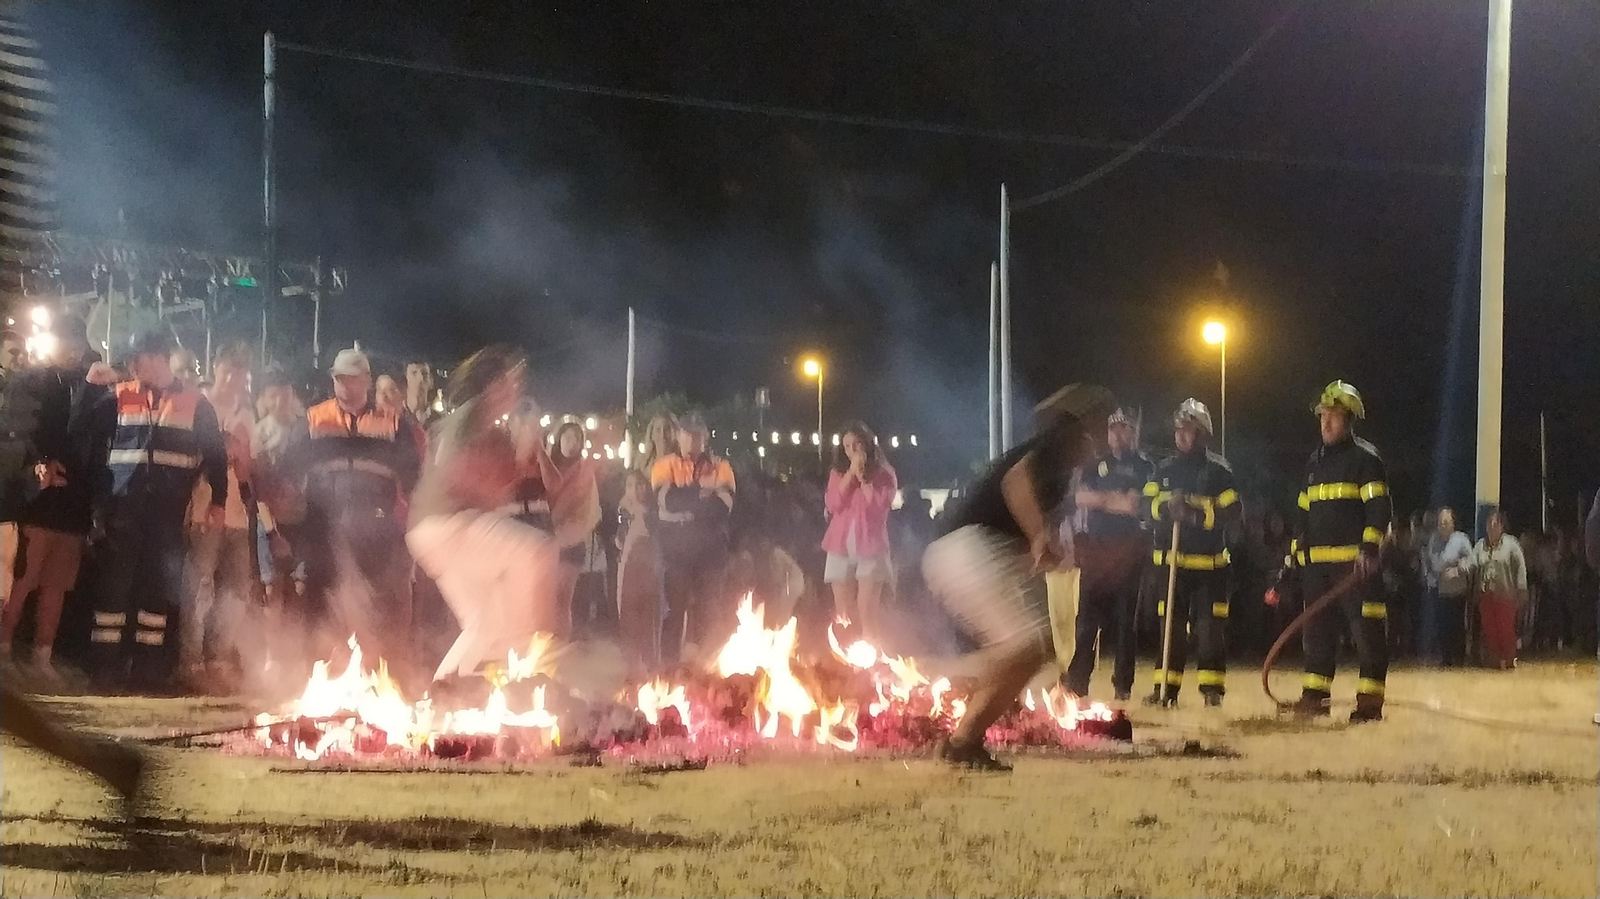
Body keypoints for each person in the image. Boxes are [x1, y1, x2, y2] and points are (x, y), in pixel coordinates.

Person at [923, 384, 1109, 770]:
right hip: (968, 545)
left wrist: (1043, 549)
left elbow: (1029, 518)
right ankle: (941, 674)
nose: (1108, 432)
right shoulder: (1050, 453)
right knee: (1027, 644)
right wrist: (1039, 535)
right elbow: (1016, 482)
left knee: (1033, 649)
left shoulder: (1064, 471)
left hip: (974, 551)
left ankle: (963, 744)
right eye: (1102, 423)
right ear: (1081, 428)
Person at [407, 345, 561, 681]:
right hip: (446, 525)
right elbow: (460, 473)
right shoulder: (471, 415)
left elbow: (501, 490)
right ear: (492, 384)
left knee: (484, 625)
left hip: (431, 531)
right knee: (537, 554)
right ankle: (532, 654)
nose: (517, 388)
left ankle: (440, 695)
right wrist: (511, 464)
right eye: (510, 379)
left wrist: (521, 459)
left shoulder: (486, 429)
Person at [87, 330, 228, 693]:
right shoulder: (119, 396)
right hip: (123, 507)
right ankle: (104, 668)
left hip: (167, 510)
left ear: (160, 358)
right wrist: (90, 389)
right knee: (114, 586)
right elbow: (82, 433)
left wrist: (218, 502)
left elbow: (216, 457)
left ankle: (148, 670)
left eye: (139, 359)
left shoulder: (197, 404)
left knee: (156, 589)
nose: (132, 366)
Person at [283, 347, 422, 673]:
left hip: (377, 530)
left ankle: (375, 677)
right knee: (321, 604)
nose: (345, 385)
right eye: (339, 379)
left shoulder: (392, 424)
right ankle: (321, 675)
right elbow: (287, 473)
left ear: (366, 382)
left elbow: (415, 479)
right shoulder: (314, 420)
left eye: (352, 379)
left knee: (375, 605)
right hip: (323, 529)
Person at [1, 315, 107, 679]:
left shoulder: (91, 386)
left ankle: (42, 658)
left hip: (73, 503)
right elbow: (23, 431)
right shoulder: (33, 381)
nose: (70, 350)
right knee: (23, 579)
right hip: (39, 500)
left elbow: (90, 439)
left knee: (56, 585)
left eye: (74, 344)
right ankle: (3, 648)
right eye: (63, 342)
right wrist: (38, 467)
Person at [1284, 381, 1392, 721]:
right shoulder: (1313, 463)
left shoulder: (1366, 460)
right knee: (1317, 637)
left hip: (1354, 569)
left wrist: (1369, 549)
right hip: (1317, 570)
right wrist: (1295, 552)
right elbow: (1303, 513)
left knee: (1367, 635)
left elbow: (1378, 510)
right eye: (1323, 416)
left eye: (1334, 416)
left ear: (1350, 420)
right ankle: (1315, 698)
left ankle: (1369, 706)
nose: (1326, 423)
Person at [1142, 398, 1240, 707]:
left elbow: (1232, 512)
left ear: (1203, 434)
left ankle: (1212, 692)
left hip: (1211, 569)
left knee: (1210, 630)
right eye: (1179, 430)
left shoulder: (1219, 472)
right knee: (1170, 630)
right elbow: (1145, 508)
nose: (1182, 436)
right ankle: (1165, 691)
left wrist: (1195, 514)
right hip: (1172, 565)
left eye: (1189, 430)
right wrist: (1166, 509)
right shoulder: (1163, 470)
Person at [180, 342, 258, 692]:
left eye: (240, 375)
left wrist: (240, 456)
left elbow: (244, 474)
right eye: (229, 372)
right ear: (217, 369)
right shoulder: (198, 404)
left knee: (236, 592)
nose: (233, 380)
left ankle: (219, 658)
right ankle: (190, 661)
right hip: (202, 509)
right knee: (199, 589)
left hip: (236, 516)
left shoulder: (246, 414)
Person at [1062, 407, 1153, 702]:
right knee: (1086, 622)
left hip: (1129, 552)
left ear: (1133, 432)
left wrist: (1101, 500)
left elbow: (1136, 505)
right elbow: (1080, 498)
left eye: (1123, 428)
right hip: (1097, 552)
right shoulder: (1094, 465)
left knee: (1127, 624)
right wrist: (1114, 500)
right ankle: (1077, 683)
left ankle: (1122, 686)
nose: (1117, 434)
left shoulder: (1145, 467)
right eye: (1113, 428)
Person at [650, 412, 735, 666]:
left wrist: (684, 504)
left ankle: (706, 668)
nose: (693, 441)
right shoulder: (664, 465)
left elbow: (723, 508)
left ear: (705, 438)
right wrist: (703, 492)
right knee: (674, 612)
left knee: (709, 612)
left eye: (698, 436)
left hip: (711, 552)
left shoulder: (722, 465)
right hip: (675, 551)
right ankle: (669, 670)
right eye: (688, 435)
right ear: (679, 436)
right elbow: (665, 500)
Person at [822, 422, 898, 644]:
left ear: (867, 444)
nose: (852, 450)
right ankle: (847, 654)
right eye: (847, 446)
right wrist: (850, 476)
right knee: (843, 611)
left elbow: (878, 507)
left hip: (871, 544)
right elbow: (833, 503)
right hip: (839, 543)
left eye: (857, 444)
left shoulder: (885, 474)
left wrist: (864, 479)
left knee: (866, 610)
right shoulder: (838, 473)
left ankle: (871, 652)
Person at [616, 413, 675, 673]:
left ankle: (656, 663)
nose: (661, 434)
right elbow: (630, 494)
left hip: (660, 537)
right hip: (634, 541)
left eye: (666, 429)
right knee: (628, 603)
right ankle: (633, 663)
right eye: (657, 429)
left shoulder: (678, 462)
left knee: (656, 605)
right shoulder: (643, 463)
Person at [549, 420, 602, 640]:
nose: (572, 442)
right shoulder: (547, 467)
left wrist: (565, 532)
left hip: (571, 544)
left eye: (577, 438)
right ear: (558, 438)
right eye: (568, 437)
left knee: (562, 599)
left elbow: (588, 511)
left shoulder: (583, 472)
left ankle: (560, 646)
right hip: (543, 542)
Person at [0, 328, 31, 618]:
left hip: (8, 508)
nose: (18, 358)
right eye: (12, 352)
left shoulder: (22, 395)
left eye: (21, 352)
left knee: (3, 588)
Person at [1473, 507, 1526, 669]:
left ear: (1502, 526)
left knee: (1506, 629)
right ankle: (1494, 661)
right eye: (1489, 523)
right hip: (1486, 596)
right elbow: (1472, 564)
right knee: (1490, 630)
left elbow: (1520, 567)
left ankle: (1510, 661)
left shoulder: (1511, 545)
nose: (1492, 526)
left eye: (1495, 524)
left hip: (1506, 595)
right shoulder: (1480, 545)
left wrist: (1522, 589)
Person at [1427, 507, 1474, 666]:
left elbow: (1471, 562)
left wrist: (1457, 570)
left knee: (1457, 625)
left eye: (1446, 522)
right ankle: (1445, 658)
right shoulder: (1434, 540)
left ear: (1453, 523)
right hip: (1440, 590)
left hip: (1457, 591)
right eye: (1440, 522)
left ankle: (1459, 657)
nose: (1442, 525)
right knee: (1442, 625)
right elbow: (1429, 562)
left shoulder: (1461, 539)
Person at [404, 358, 441, 431]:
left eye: (425, 374)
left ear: (431, 382)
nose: (420, 379)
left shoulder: (440, 423)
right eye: (414, 373)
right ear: (406, 380)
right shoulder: (396, 421)